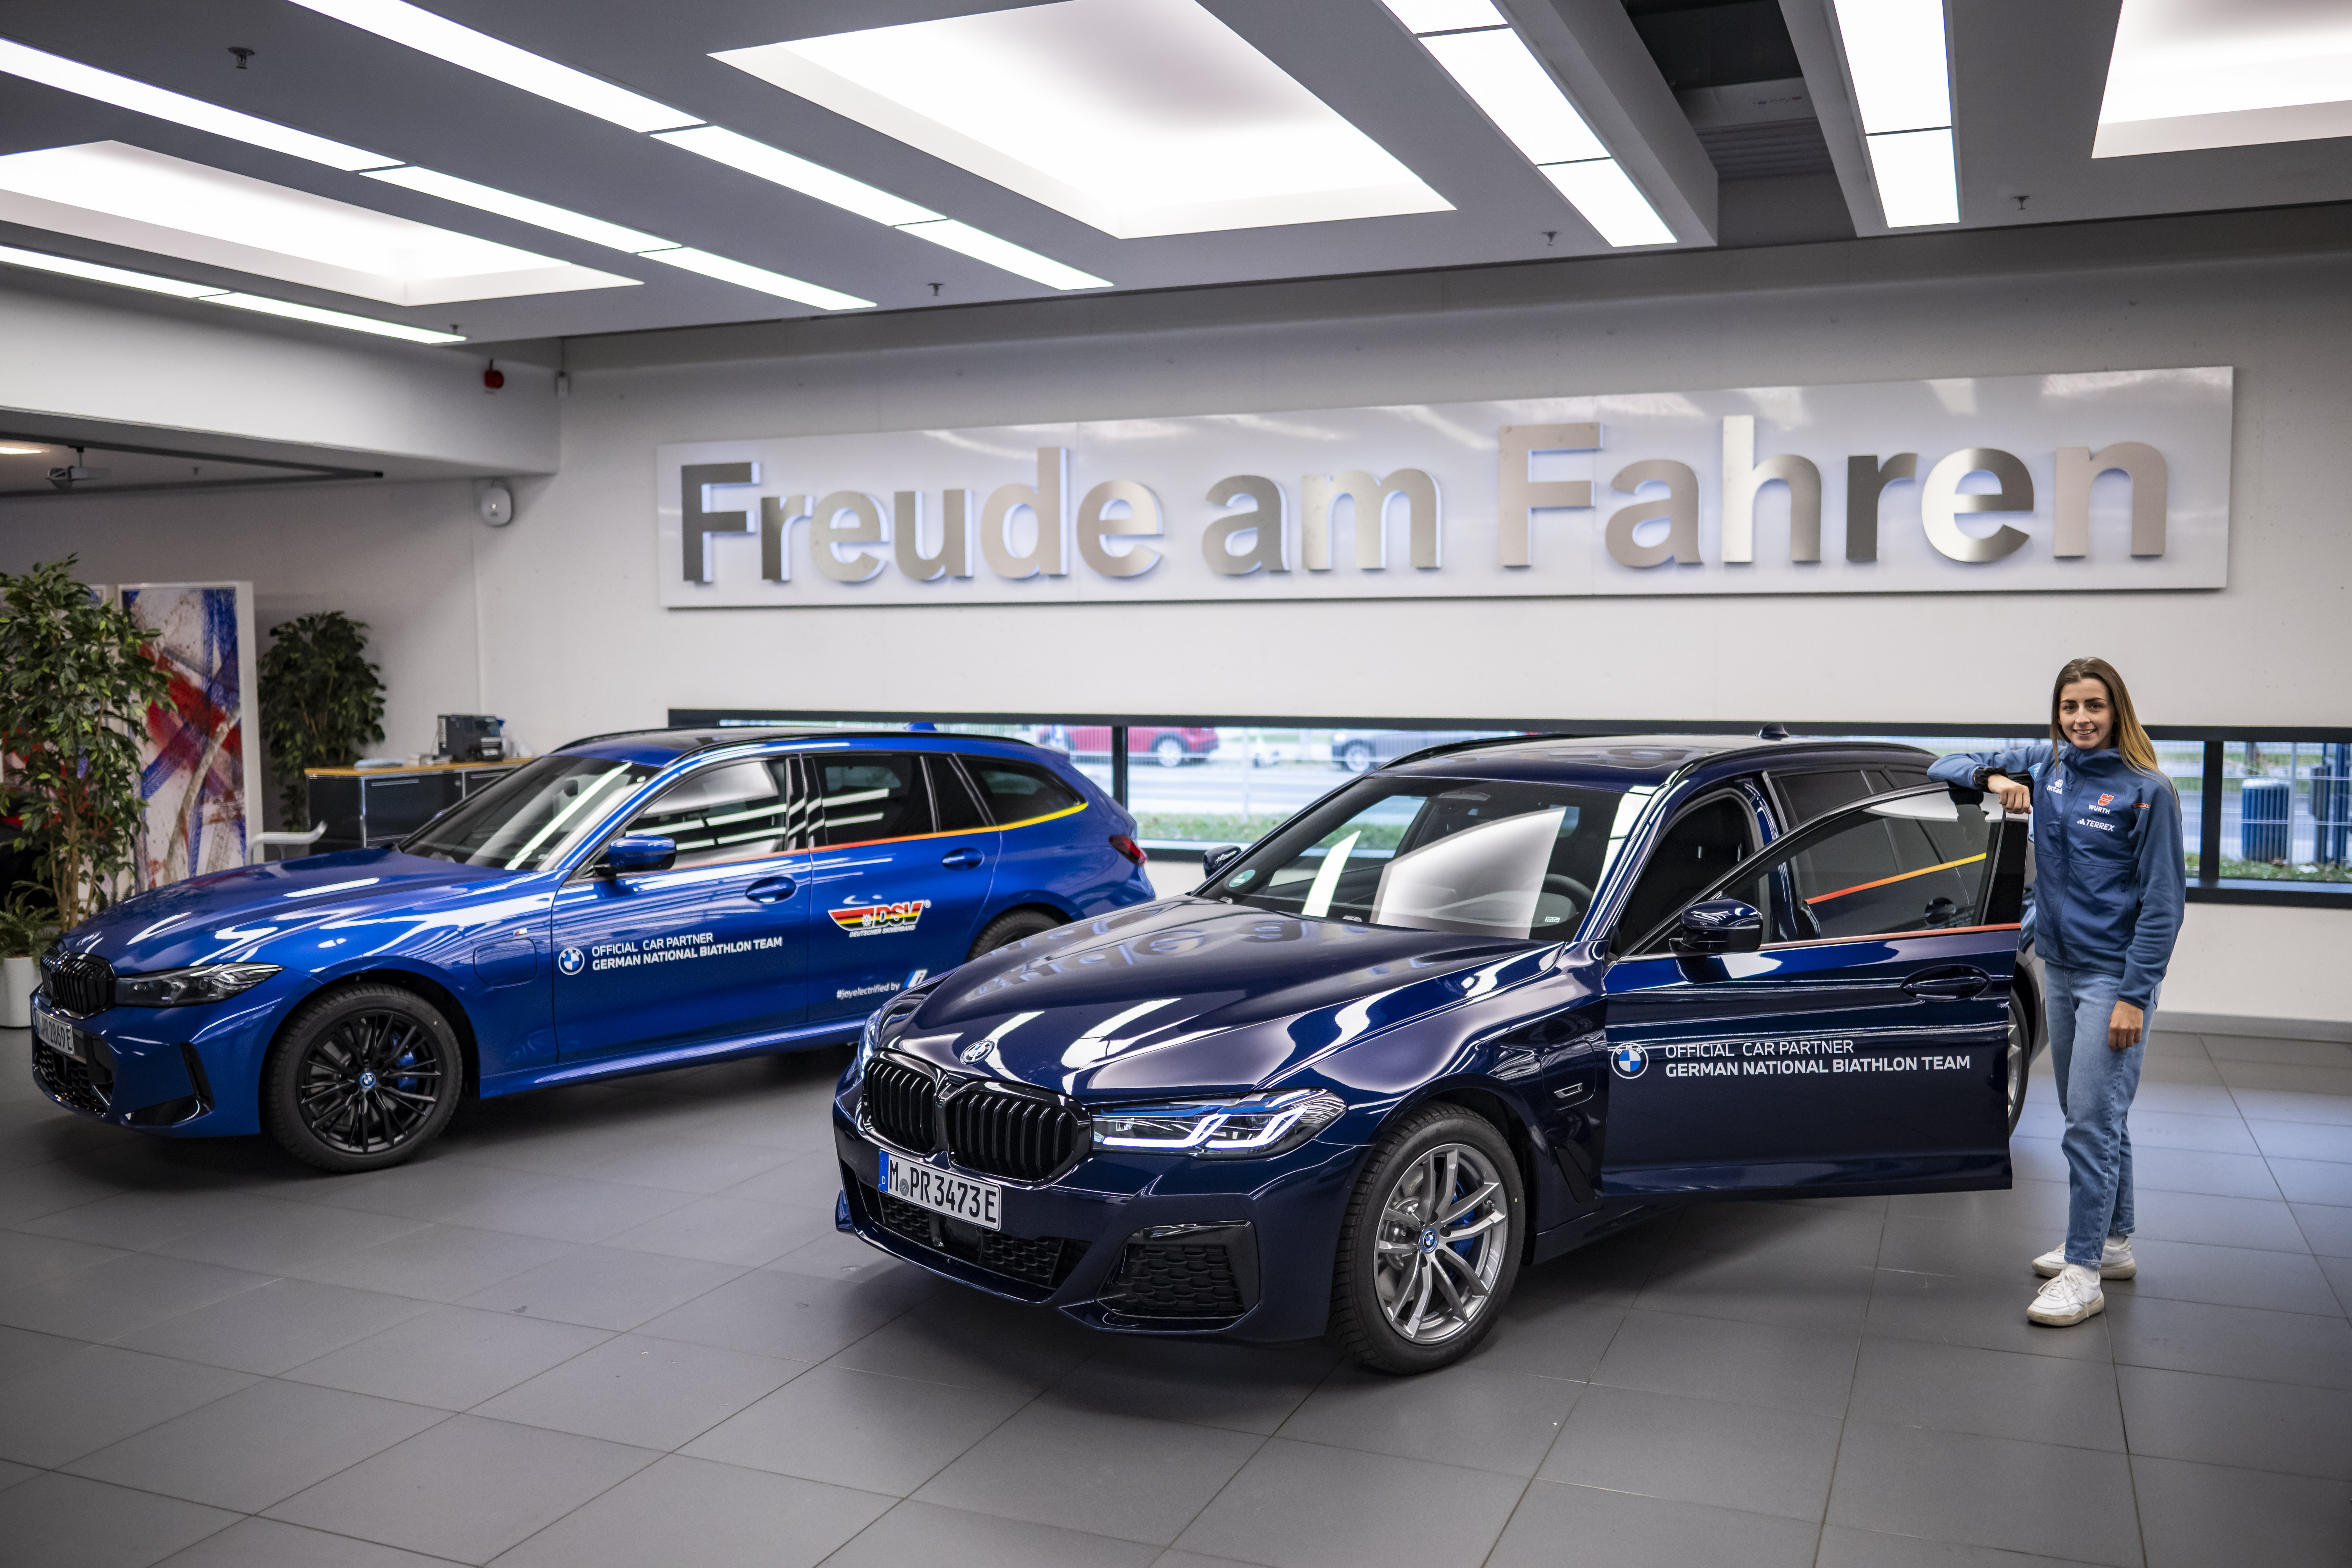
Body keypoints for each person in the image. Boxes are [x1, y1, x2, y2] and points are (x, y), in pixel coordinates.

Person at [1929, 657, 2184, 1327]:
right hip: (2062, 970)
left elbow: (2164, 906)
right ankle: (2114, 1242)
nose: (2081, 719)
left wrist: (2135, 996)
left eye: (2094, 706)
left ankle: (2084, 1272)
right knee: (2094, 1112)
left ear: (2117, 710)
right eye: (2070, 707)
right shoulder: (2047, 766)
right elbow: (1942, 765)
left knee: (2089, 1124)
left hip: (2112, 979)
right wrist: (1995, 779)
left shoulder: (2148, 791)